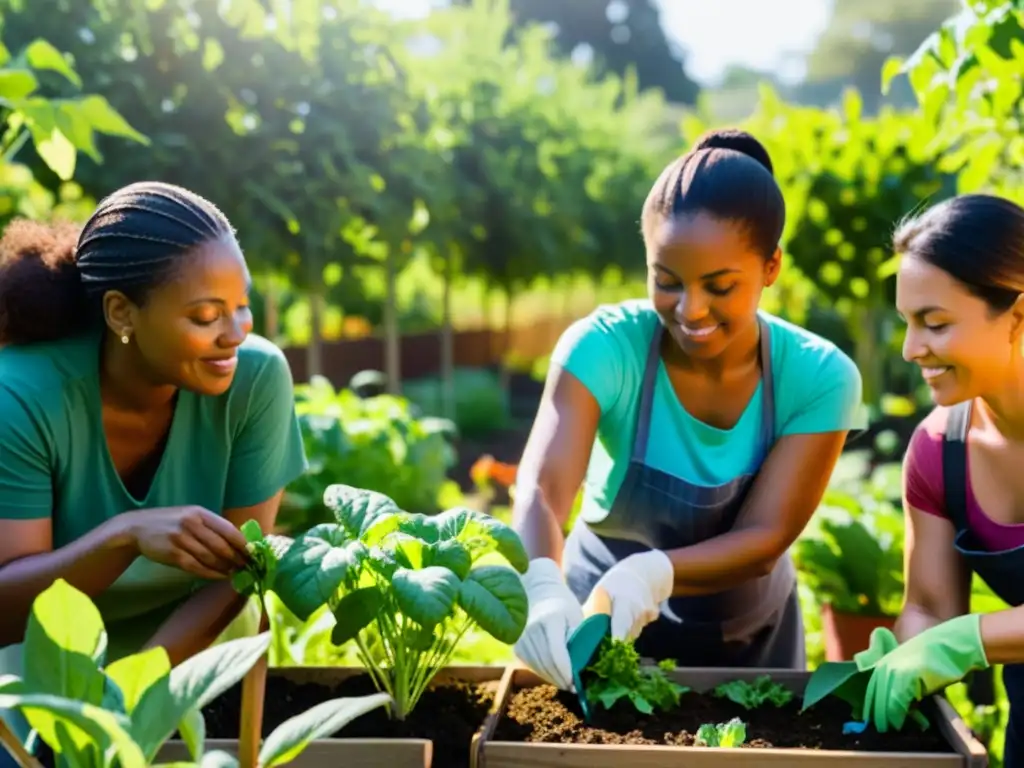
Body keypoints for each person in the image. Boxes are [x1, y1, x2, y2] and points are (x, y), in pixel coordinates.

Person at [510, 128, 865, 690]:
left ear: (771, 267)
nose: (690, 309)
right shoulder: (605, 347)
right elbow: (543, 490)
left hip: (747, 637)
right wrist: (541, 584)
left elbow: (766, 536)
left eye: (720, 286)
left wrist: (653, 572)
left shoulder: (818, 376)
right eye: (666, 281)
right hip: (596, 620)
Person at [0, 181, 307, 755]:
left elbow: (241, 574)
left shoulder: (255, 380)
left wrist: (129, 695)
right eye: (206, 315)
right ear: (122, 312)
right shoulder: (20, 397)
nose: (236, 332)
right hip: (48, 679)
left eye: (242, 307)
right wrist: (125, 538)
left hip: (197, 663)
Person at [857, 194, 1024, 763]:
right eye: (907, 323)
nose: (910, 348)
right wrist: (907, 650)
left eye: (935, 323)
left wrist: (969, 641)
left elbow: (957, 635)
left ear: (1018, 316)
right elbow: (931, 610)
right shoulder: (940, 450)